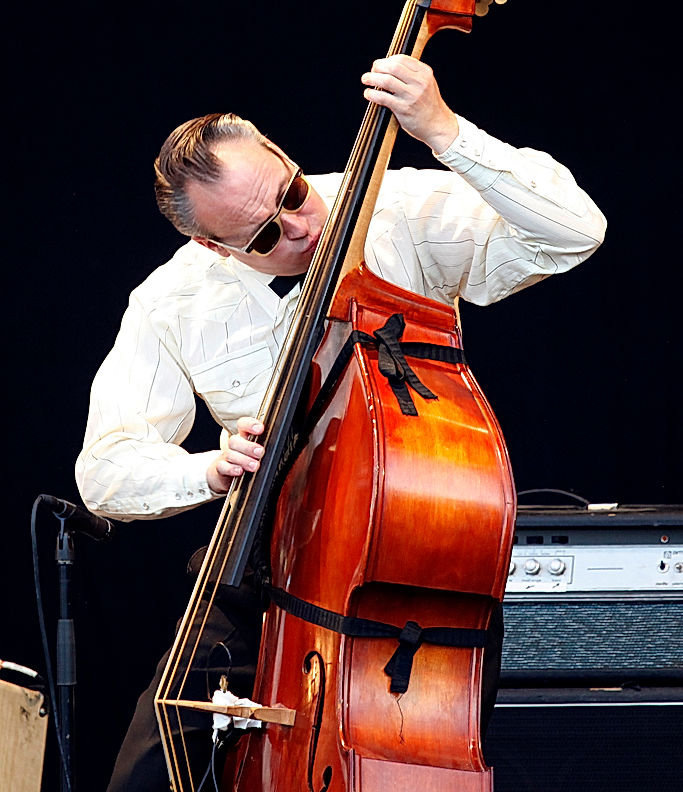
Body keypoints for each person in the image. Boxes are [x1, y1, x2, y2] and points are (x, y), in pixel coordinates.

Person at [76, 54, 606, 790]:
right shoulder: (174, 300)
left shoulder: (388, 210)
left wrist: (446, 133)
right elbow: (104, 470)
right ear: (212, 244)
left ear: (286, 158)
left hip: (402, 553)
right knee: (145, 768)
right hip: (266, 559)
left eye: (290, 193)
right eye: (262, 236)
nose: (297, 226)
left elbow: (572, 233)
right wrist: (206, 467)